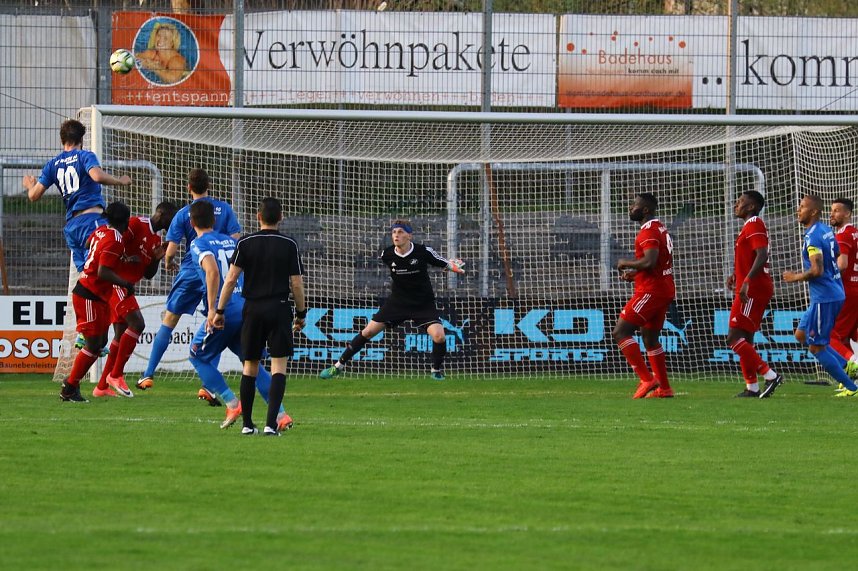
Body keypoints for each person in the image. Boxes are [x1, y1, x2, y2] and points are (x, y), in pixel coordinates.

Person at [317, 219, 464, 383]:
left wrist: (453, 267)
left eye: (400, 232)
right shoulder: (387, 254)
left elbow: (443, 262)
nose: (396, 235)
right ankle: (338, 366)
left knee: (439, 336)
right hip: (398, 303)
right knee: (368, 332)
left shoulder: (423, 251)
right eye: (394, 232)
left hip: (422, 304)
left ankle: (436, 371)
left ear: (409, 235)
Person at [187, 200, 291, 431]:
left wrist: (214, 309)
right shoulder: (230, 240)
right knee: (250, 362)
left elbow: (213, 271)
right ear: (214, 221)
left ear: (192, 222)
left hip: (225, 310)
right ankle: (281, 415)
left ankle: (232, 403)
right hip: (245, 308)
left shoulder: (198, 244)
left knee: (196, 355)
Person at [137, 168, 240, 394]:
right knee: (215, 322)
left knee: (169, 319)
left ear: (189, 188)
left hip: (191, 269)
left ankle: (148, 374)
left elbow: (171, 250)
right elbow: (236, 241)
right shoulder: (225, 209)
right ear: (209, 185)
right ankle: (207, 386)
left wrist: (168, 263)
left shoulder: (183, 213)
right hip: (218, 272)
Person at [213, 197, 305, 436]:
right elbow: (296, 283)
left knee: (250, 366)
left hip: (252, 309)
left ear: (258, 217)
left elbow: (231, 279)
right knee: (278, 367)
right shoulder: (289, 244)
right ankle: (271, 424)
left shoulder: (245, 242)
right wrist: (301, 312)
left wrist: (219, 310)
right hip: (279, 308)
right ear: (281, 218)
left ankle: (247, 424)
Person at [92, 202, 178, 399]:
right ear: (162, 214)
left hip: (127, 287)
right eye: (172, 218)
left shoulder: (156, 239)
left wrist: (157, 258)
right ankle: (116, 375)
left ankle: (102, 386)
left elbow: (148, 274)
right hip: (116, 284)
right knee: (138, 324)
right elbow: (114, 240)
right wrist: (125, 257)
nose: (174, 223)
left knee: (120, 334)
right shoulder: (136, 224)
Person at [22, 119, 132, 272]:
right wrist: (119, 181)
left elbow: (33, 196)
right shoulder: (84, 156)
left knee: (86, 276)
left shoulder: (52, 164)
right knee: (101, 269)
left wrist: (29, 186)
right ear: (81, 139)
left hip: (72, 227)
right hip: (91, 222)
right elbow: (97, 176)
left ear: (62, 140)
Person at [782, 194, 858, 397]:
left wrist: (794, 277)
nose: (798, 210)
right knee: (800, 335)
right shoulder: (825, 230)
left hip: (825, 296)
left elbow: (816, 270)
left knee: (817, 347)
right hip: (831, 292)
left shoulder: (813, 236)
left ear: (814, 211)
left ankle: (853, 387)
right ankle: (846, 364)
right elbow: (834, 258)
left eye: (802, 207)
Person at [60, 202, 136, 403]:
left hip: (96, 294)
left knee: (100, 342)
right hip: (89, 293)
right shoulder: (116, 240)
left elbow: (88, 245)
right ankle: (70, 387)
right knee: (94, 344)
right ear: (126, 221)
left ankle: (71, 385)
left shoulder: (101, 231)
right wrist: (125, 283)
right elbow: (103, 271)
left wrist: (117, 258)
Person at [613, 193, 675, 399]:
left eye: (635, 206)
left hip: (651, 290)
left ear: (645, 210)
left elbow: (649, 261)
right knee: (650, 339)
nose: (631, 208)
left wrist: (626, 263)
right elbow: (654, 264)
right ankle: (664, 388)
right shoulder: (660, 228)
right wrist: (636, 274)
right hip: (662, 288)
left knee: (621, 332)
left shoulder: (648, 232)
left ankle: (647, 379)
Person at [725, 191, 783, 398]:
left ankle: (770, 375)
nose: (736, 204)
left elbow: (762, 253)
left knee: (733, 337)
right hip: (752, 285)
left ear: (751, 207)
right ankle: (752, 387)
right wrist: (736, 274)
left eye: (740, 201)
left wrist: (747, 280)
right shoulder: (750, 226)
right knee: (745, 338)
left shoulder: (755, 224)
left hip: (754, 288)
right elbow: (752, 256)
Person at [828, 197, 858, 382]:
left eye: (837, 210)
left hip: (845, 292)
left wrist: (824, 277)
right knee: (846, 338)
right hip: (855, 289)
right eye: (832, 210)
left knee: (828, 336)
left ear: (847, 213)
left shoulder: (843, 235)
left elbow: (842, 264)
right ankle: (850, 384)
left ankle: (854, 364)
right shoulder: (855, 233)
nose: (832, 214)